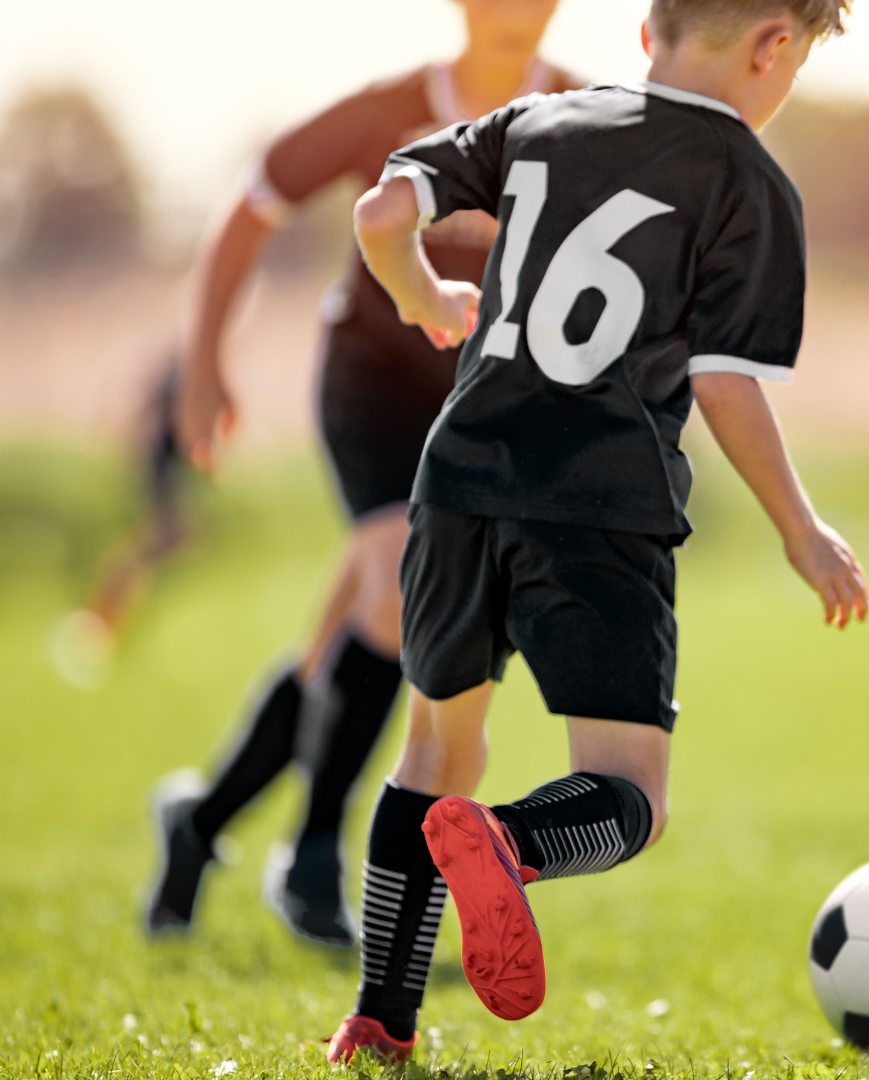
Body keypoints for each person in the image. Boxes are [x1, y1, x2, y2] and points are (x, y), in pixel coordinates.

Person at [325, 0, 868, 1062]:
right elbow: (722, 383)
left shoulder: (541, 118)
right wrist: (800, 528)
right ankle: (514, 842)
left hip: (458, 481)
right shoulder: (750, 183)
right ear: (775, 47)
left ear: (646, 34)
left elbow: (384, 210)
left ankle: (380, 1023)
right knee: (630, 793)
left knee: (435, 752)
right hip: (597, 502)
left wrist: (425, 294)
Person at [144, 0, 579, 947]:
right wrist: (207, 363)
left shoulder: (583, 115)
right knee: (393, 602)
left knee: (343, 642)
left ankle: (201, 820)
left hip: (483, 406)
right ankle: (309, 857)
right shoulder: (386, 112)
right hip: (372, 385)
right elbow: (250, 206)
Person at [51, 355, 194, 690]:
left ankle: (104, 620)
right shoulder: (178, 381)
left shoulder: (177, 382)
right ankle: (98, 622)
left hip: (164, 473)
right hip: (161, 476)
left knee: (152, 552)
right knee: (148, 551)